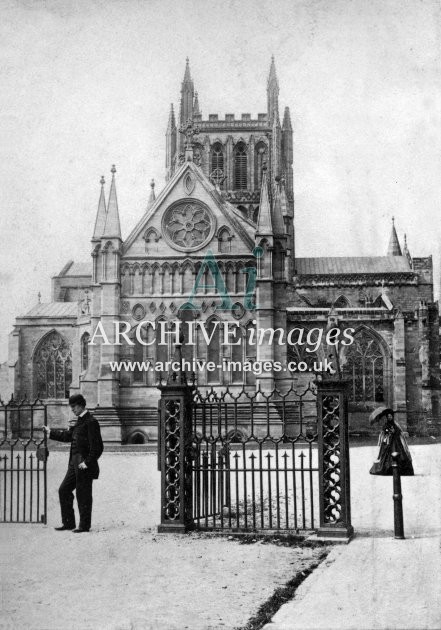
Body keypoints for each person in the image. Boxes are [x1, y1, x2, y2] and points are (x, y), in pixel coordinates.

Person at [43, 394, 103, 532]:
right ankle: (69, 523)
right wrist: (50, 433)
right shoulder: (79, 421)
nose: (72, 409)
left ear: (82, 405)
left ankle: (84, 525)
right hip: (73, 463)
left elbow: (98, 447)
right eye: (71, 407)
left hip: (84, 464)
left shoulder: (91, 422)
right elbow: (68, 436)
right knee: (64, 490)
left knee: (83, 494)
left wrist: (87, 462)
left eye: (74, 406)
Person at [370, 410, 414, 476]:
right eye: (388, 416)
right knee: (385, 456)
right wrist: (388, 432)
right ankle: (388, 470)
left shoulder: (395, 424)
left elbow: (399, 432)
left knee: (399, 453)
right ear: (387, 417)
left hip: (396, 441)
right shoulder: (385, 425)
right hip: (388, 442)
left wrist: (394, 431)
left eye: (390, 416)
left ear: (392, 417)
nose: (389, 417)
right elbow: (383, 433)